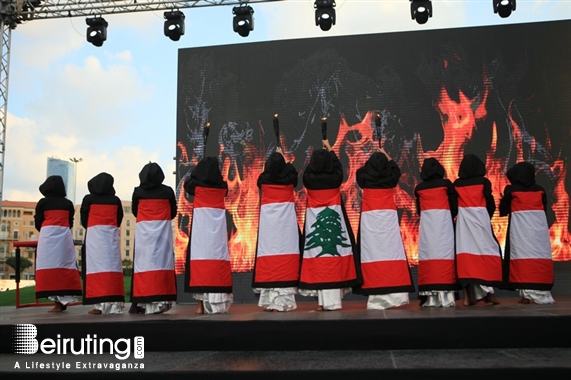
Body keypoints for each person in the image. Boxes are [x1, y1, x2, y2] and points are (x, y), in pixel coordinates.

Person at [298, 139, 360, 311]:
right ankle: (328, 302)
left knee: (318, 259)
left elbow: (307, 172)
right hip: (334, 224)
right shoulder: (335, 179)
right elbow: (339, 169)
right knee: (334, 259)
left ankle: (327, 303)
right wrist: (331, 151)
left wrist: (315, 160)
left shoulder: (309, 180)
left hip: (315, 226)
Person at [355, 147, 415, 310]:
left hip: (370, 220)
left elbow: (360, 171)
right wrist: (386, 153)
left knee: (373, 252)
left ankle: (377, 295)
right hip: (387, 219)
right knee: (390, 250)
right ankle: (395, 294)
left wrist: (370, 163)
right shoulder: (391, 178)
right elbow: (395, 168)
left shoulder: (364, 178)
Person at [252, 147, 301, 312]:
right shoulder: (289, 181)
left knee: (269, 256)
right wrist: (285, 160)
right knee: (285, 257)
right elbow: (294, 175)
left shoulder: (263, 181)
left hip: (269, 226)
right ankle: (281, 302)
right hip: (286, 225)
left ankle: (269, 300)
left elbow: (264, 175)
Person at [499, 161, 555, 305]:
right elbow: (545, 210)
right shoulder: (540, 190)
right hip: (538, 232)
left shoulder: (511, 190)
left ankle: (526, 295)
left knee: (521, 257)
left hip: (520, 232)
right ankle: (538, 293)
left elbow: (503, 209)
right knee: (538, 256)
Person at [184, 157, 233, 314]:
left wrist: (197, 172)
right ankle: (217, 304)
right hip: (217, 233)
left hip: (200, 232)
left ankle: (200, 306)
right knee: (217, 264)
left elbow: (188, 183)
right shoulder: (222, 187)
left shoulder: (196, 186)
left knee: (199, 268)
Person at [454, 154, 502, 306]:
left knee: (466, 256)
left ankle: (468, 295)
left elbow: (454, 206)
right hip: (481, 220)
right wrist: (485, 216)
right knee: (486, 252)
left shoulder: (457, 184)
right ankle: (489, 292)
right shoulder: (484, 182)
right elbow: (490, 202)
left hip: (464, 224)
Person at [130, 162, 177, 314]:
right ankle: (161, 299)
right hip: (163, 233)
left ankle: (143, 300)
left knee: (144, 263)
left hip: (144, 234)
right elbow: (173, 211)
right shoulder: (168, 191)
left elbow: (135, 211)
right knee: (162, 262)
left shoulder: (138, 191)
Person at [414, 157, 459, 307]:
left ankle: (430, 295)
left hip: (427, 226)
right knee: (445, 252)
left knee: (429, 253)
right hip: (444, 224)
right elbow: (454, 206)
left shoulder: (419, 188)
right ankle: (446, 294)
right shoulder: (446, 185)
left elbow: (419, 210)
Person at [34, 175, 82, 313]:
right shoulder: (68, 203)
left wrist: (46, 230)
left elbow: (38, 222)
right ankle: (63, 298)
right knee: (64, 265)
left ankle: (56, 302)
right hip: (64, 237)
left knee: (49, 267)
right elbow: (70, 222)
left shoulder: (42, 202)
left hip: (47, 237)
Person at [80, 172, 125, 315]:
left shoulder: (88, 199)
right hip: (110, 237)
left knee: (95, 268)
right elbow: (119, 218)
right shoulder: (115, 200)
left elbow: (84, 219)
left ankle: (98, 305)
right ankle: (114, 304)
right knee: (112, 267)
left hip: (94, 238)